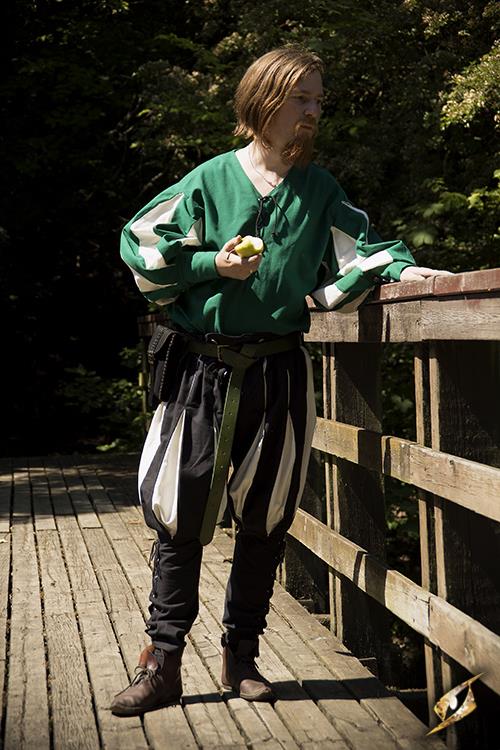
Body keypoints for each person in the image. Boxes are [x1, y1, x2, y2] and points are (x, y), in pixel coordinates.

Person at [112, 46, 451, 716]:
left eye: (318, 100)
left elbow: (366, 251)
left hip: (280, 371)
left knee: (266, 517)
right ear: (264, 99)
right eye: (302, 98)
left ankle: (242, 656)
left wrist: (407, 273)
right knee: (180, 515)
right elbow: (141, 245)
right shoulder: (210, 182)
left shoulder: (319, 190)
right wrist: (211, 264)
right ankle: (163, 663)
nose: (313, 111)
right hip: (202, 369)